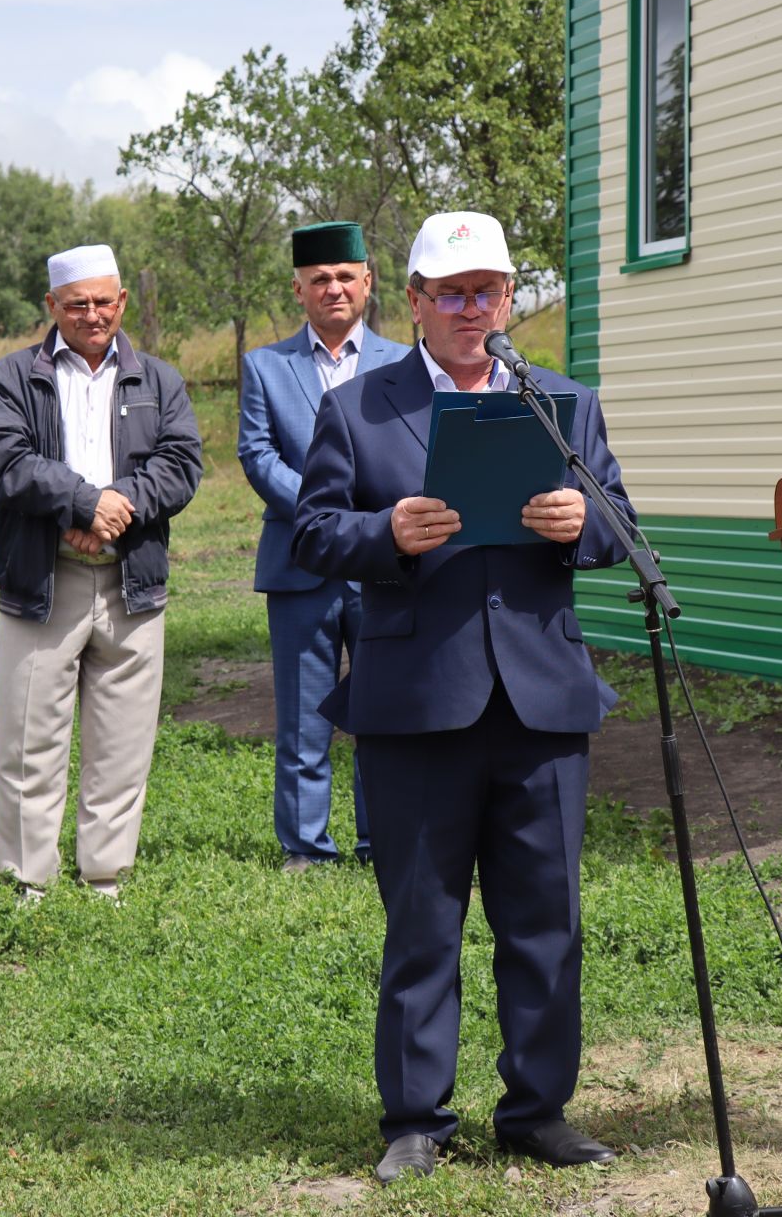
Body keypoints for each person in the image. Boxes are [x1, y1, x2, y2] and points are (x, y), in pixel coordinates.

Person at [293, 213, 633, 1182]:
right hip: (416, 701)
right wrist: (387, 531)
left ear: (510, 298)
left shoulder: (559, 401)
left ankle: (538, 1108)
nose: (473, 308)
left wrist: (580, 523)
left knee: (546, 918)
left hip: (541, 702)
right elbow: (314, 532)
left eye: (489, 290)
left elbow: (618, 523)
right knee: (422, 921)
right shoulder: (360, 410)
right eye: (452, 292)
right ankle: (415, 1117)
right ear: (414, 301)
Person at [0, 244, 203, 901]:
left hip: (132, 577)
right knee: (28, 738)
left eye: (105, 302)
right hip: (45, 580)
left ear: (123, 302)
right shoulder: (10, 379)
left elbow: (182, 462)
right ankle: (29, 883)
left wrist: (115, 509)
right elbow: (3, 459)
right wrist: (80, 502)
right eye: (78, 304)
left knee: (122, 742)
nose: (93, 315)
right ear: (52, 307)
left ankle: (105, 877)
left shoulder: (158, 381)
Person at [237, 222, 405, 872]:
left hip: (385, 567)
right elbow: (256, 454)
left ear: (368, 282)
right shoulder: (265, 367)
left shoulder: (403, 364)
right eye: (319, 280)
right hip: (301, 565)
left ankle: (379, 839)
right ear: (298, 289)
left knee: (381, 713)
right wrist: (322, 515)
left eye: (344, 277)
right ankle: (306, 847)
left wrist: (371, 526)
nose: (332, 289)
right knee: (303, 719)